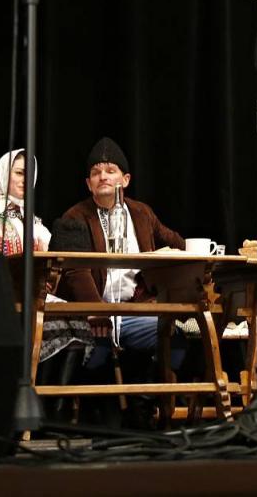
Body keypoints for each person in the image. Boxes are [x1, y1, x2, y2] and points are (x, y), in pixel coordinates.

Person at [56, 137, 185, 370]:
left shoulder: (141, 213)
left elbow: (173, 242)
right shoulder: (74, 217)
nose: (103, 177)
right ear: (89, 184)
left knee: (173, 338)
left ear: (125, 180)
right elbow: (76, 271)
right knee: (97, 353)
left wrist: (197, 250)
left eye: (110, 171)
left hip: (133, 311)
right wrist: (96, 312)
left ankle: (152, 392)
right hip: (92, 313)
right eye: (96, 173)